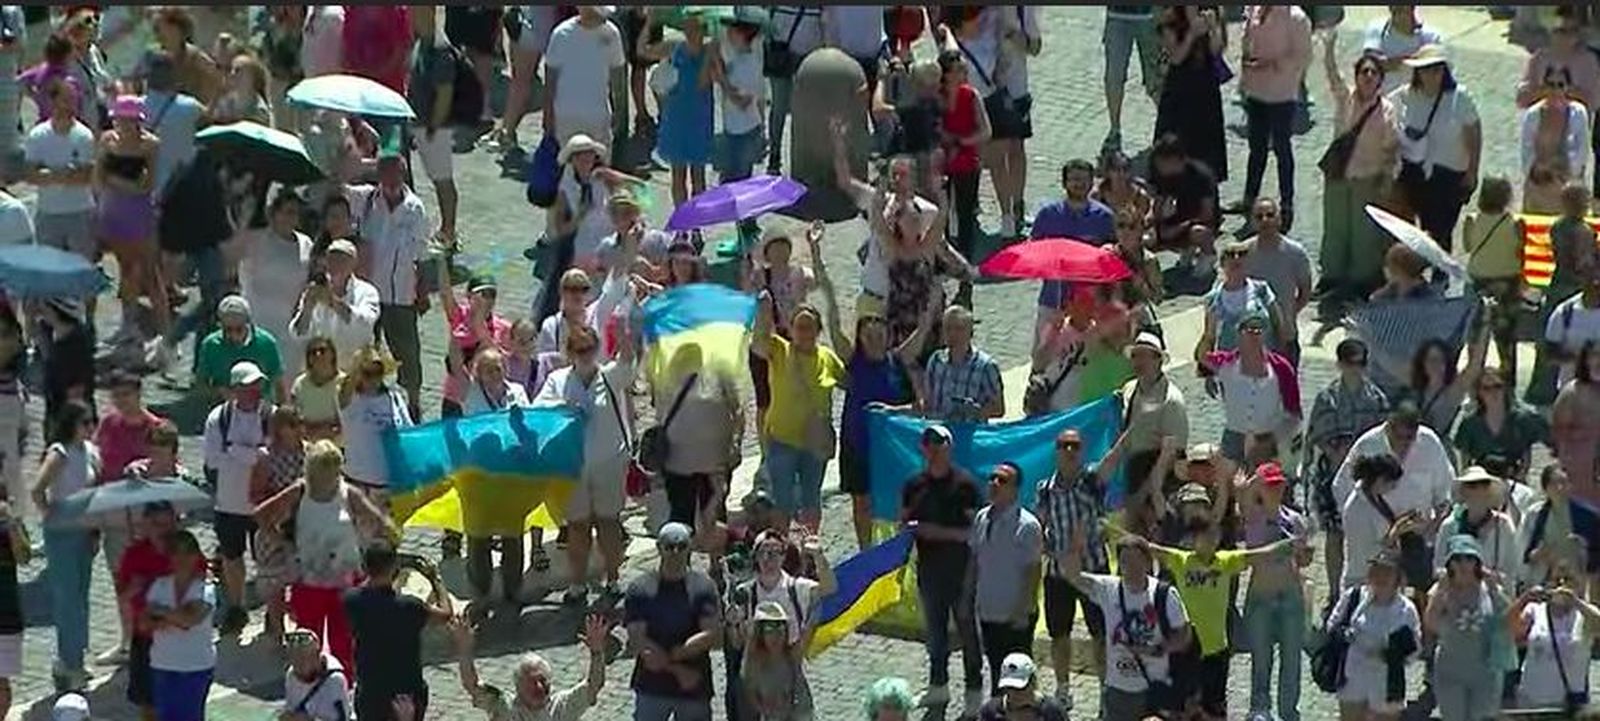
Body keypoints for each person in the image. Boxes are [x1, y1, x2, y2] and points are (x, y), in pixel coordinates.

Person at [814, 229, 922, 550]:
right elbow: (833, 317)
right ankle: (866, 552)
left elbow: (919, 408)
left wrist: (892, 411)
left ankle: (898, 551)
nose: (874, 336)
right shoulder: (853, 361)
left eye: (879, 331)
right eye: (868, 332)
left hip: (890, 448)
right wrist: (817, 256)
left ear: (888, 334)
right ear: (860, 336)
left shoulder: (898, 361)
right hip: (857, 444)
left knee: (896, 503)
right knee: (860, 503)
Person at [256, 440, 390, 674]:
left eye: (335, 468)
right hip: (309, 580)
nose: (331, 475)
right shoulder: (300, 490)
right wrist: (283, 543)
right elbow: (261, 515)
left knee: (344, 642)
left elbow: (379, 521)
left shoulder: (348, 493)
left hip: (345, 580)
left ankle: (344, 686)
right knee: (308, 642)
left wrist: (380, 543)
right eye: (326, 469)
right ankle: (308, 684)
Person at [534, 321, 634, 605]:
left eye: (590, 349)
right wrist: (563, 408)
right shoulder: (558, 380)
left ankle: (613, 579)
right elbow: (538, 409)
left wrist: (625, 336)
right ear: (570, 353)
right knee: (577, 527)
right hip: (573, 466)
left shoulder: (610, 376)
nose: (585, 355)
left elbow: (627, 364)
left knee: (608, 523)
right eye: (579, 350)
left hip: (608, 463)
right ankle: (577, 584)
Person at [900, 424, 984, 715]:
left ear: (950, 447)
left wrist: (935, 532)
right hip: (929, 570)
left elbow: (974, 533)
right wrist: (909, 530)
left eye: (940, 444)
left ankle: (974, 690)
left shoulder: (966, 485)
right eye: (929, 444)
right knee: (935, 634)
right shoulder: (913, 485)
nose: (934, 450)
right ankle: (938, 686)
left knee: (968, 632)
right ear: (923, 449)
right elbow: (905, 523)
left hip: (962, 572)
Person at [1062, 533, 1192, 721]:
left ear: (1147, 563)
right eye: (1125, 561)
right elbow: (1073, 577)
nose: (1131, 567)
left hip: (1155, 688)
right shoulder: (1108, 589)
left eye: (1136, 560)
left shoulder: (1164, 594)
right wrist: (1074, 550)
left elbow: (1184, 635)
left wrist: (1156, 650)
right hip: (1119, 689)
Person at [347, 152, 430, 419]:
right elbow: (335, 187)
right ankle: (364, 397)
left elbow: (422, 253)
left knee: (407, 351)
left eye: (397, 174)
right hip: (367, 292)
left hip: (401, 293)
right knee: (365, 349)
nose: (392, 181)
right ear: (379, 175)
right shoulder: (365, 200)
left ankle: (414, 401)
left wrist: (423, 290)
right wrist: (354, 161)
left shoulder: (415, 208)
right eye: (387, 175)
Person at [1318, 35, 1399, 306]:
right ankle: (1331, 277)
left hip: (1367, 179)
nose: (1368, 76)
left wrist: (1387, 178)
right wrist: (1329, 49)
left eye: (1373, 73)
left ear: (1380, 79)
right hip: (1338, 176)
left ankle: (1361, 281)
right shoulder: (1346, 98)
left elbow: (1391, 149)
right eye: (1364, 72)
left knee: (1363, 233)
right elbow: (1332, 75)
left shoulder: (1387, 111)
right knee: (1335, 228)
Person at [752, 290, 843, 532]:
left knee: (812, 500)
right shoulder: (779, 349)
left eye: (809, 327)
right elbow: (758, 342)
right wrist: (763, 312)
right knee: (782, 503)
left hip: (815, 443)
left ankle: (810, 546)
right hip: (782, 441)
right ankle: (782, 547)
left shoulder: (827, 357)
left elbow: (849, 383)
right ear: (791, 330)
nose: (804, 332)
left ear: (818, 330)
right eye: (799, 327)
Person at [1308, 338, 1390, 594]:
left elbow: (1383, 437)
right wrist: (1337, 456)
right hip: (1332, 474)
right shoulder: (1327, 398)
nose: (1356, 368)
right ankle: (1334, 592)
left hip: (1366, 478)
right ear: (1340, 364)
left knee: (1366, 536)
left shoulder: (1377, 399)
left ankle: (1366, 589)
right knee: (1334, 536)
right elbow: (1317, 435)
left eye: (1361, 363)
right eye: (1351, 363)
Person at [729, 530, 834, 720]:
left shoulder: (796, 587)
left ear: (783, 556)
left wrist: (818, 555)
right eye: (763, 552)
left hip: (791, 667)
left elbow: (829, 588)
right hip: (760, 674)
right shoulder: (746, 592)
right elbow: (737, 643)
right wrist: (733, 624)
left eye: (775, 552)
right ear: (755, 556)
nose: (768, 559)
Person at [344, 540, 454, 721]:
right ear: (394, 567)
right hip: (406, 692)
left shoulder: (351, 601)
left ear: (364, 566)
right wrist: (436, 580)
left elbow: (366, 592)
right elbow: (445, 615)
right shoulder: (409, 606)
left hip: (371, 691)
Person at [30, 399, 98, 692]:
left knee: (81, 597)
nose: (91, 428)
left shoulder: (90, 451)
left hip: (85, 531)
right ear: (72, 424)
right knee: (67, 599)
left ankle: (74, 657)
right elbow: (37, 490)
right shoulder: (60, 453)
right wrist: (50, 516)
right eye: (85, 423)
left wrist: (95, 530)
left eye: (92, 422)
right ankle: (70, 663)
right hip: (62, 534)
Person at [202, 361, 272, 636]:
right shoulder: (218, 419)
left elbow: (275, 454)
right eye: (248, 386)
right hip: (229, 502)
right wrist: (254, 455)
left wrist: (236, 451)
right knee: (232, 557)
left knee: (266, 559)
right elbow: (213, 460)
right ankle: (237, 607)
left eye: (257, 385)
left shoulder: (270, 415)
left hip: (264, 502)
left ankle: (272, 610)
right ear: (234, 390)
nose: (254, 391)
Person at [624, 521, 721, 721]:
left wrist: (679, 652)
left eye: (681, 546)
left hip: (694, 688)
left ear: (690, 547)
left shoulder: (704, 587)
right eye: (669, 546)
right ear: (659, 547)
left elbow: (712, 634)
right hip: (654, 687)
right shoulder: (640, 588)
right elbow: (637, 639)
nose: (675, 552)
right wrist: (678, 669)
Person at [1239, 462, 1312, 721]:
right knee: (1261, 659)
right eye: (1270, 485)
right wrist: (1255, 482)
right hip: (1261, 596)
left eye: (1278, 485)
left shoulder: (1295, 520)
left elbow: (1303, 562)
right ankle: (1260, 710)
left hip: (1290, 595)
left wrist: (1304, 554)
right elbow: (1243, 495)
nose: (1275, 490)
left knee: (1291, 661)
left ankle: (1288, 712)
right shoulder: (1253, 515)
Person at [1394, 44, 1481, 254]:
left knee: (1441, 230)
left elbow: (1474, 134)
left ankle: (1440, 269)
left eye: (1437, 69)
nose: (1432, 75)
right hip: (1414, 171)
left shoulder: (1460, 98)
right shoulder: (1406, 95)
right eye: (1426, 69)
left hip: (1449, 174)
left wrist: (1472, 171)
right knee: (1416, 228)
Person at [969, 462, 1042, 698]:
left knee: (1018, 676)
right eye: (992, 478)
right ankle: (997, 709)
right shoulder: (982, 517)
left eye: (1002, 480)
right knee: (995, 668)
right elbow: (975, 561)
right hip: (988, 611)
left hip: (1014, 616)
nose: (994, 484)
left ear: (1015, 489)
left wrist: (1023, 610)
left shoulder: (1027, 525)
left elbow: (1033, 571)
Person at [95, 94, 164, 343]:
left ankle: (164, 331)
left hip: (139, 210)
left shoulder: (150, 145)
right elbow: (98, 176)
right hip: (113, 209)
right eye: (121, 119)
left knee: (149, 271)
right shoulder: (107, 140)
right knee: (125, 268)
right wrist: (121, 187)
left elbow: (148, 184)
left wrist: (116, 182)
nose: (124, 124)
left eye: (130, 119)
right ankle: (128, 322)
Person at [455, 613, 611, 721]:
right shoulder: (504, 706)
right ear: (518, 686)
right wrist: (464, 650)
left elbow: (594, 685)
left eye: (543, 680)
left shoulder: (562, 706)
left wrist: (597, 652)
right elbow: (472, 685)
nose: (539, 687)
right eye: (532, 682)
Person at [1234, 6, 1310, 225]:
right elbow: (1248, 44)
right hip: (1256, 91)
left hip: (1281, 94)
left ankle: (1286, 204)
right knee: (1256, 149)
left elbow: (1303, 57)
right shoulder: (1255, 10)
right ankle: (1249, 198)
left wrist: (1270, 64)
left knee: (1282, 149)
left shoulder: (1296, 17)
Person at [1425, 534, 1513, 721]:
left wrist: (1495, 589)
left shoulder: (1488, 588)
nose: (1463, 564)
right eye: (1457, 559)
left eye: (1469, 558)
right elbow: (1431, 622)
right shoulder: (1441, 589)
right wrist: (1441, 593)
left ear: (1477, 562)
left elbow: (1508, 618)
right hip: (1450, 669)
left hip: (1485, 669)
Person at [1328, 550, 1422, 721]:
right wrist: (1346, 636)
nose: (1381, 577)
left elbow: (1414, 650)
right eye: (1377, 571)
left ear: (1398, 578)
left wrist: (1389, 653)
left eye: (1387, 573)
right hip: (1353, 678)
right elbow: (1333, 626)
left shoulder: (1406, 610)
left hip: (1387, 683)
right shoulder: (1354, 597)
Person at [1029, 158, 1115, 344]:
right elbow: (1034, 250)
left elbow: (1113, 255)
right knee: (1044, 352)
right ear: (1064, 183)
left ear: (1092, 183)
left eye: (1084, 180)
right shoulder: (1048, 214)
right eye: (1074, 179)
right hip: (1053, 298)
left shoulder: (1104, 217)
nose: (1079, 184)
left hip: (1089, 301)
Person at [640, 10, 717, 207]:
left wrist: (710, 56)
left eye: (695, 27)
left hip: (699, 118)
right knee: (678, 175)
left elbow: (703, 83)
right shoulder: (674, 46)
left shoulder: (711, 51)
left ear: (704, 29)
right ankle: (681, 218)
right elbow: (643, 51)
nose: (691, 31)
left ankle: (696, 220)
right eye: (687, 26)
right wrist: (649, 23)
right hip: (676, 116)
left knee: (698, 177)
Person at [235, 191, 314, 376]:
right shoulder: (257, 241)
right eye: (286, 212)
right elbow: (242, 273)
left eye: (295, 213)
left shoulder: (306, 244)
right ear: (274, 214)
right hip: (257, 322)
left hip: (289, 329)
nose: (291, 218)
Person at [142, 530, 216, 721]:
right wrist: (177, 616)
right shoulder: (159, 586)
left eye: (188, 552)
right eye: (176, 551)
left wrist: (161, 612)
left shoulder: (205, 589)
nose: (182, 558)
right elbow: (144, 623)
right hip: (162, 665)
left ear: (196, 556)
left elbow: (190, 621)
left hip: (195, 667)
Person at [935, 47, 989, 307]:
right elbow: (933, 127)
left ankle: (965, 270)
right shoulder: (937, 98)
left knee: (966, 219)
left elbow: (985, 131)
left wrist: (961, 141)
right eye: (958, 69)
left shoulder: (971, 95)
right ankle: (942, 267)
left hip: (966, 163)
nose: (964, 72)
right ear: (946, 74)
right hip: (942, 164)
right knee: (941, 217)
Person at [338, 346, 414, 522]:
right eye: (367, 373)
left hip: (388, 484)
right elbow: (344, 392)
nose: (373, 379)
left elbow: (409, 432)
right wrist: (358, 364)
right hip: (358, 482)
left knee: (386, 534)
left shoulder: (395, 398)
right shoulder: (350, 400)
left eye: (377, 373)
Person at [25, 75, 97, 261]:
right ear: (53, 101)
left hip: (80, 214)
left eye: (74, 100)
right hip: (48, 214)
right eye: (66, 99)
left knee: (81, 268)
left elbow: (85, 177)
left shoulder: (84, 136)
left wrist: (49, 174)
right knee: (48, 269)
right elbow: (31, 176)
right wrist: (67, 173)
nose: (71, 105)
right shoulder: (37, 136)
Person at [406, 5, 460, 248]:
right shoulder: (421, 42)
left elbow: (445, 94)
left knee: (442, 179)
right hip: (420, 122)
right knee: (437, 177)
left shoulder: (440, 50)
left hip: (435, 126)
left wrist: (433, 127)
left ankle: (449, 232)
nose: (411, 14)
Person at [1461, 178, 1526, 380]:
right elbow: (1520, 253)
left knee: (1475, 334)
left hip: (1477, 282)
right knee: (1506, 337)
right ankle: (1508, 380)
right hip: (1507, 283)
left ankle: (1474, 378)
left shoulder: (1471, 220)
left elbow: (1468, 247)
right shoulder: (1516, 223)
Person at [1154, 6, 1227, 184]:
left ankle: (1206, 187)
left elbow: (1217, 50)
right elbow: (1176, 57)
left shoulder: (1213, 10)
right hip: (1179, 90)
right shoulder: (1170, 16)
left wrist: (1213, 28)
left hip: (1206, 88)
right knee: (1175, 140)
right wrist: (1192, 34)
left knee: (1206, 143)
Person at [1508, 568, 1600, 710]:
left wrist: (1576, 601)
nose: (1561, 585)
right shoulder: (1535, 610)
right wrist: (1524, 599)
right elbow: (1511, 631)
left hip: (1567, 704)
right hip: (1531, 699)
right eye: (1556, 580)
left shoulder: (1584, 614)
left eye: (1567, 580)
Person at [544, 6, 624, 155]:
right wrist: (548, 114)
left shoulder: (612, 34)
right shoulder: (561, 34)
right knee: (567, 161)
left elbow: (617, 76)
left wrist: (619, 111)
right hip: (566, 117)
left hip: (598, 118)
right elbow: (550, 78)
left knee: (599, 163)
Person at [290, 238, 382, 369]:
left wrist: (332, 302)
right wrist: (307, 308)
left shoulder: (367, 291)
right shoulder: (314, 289)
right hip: (320, 370)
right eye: (331, 259)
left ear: (353, 263)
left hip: (355, 371)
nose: (336, 264)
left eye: (342, 260)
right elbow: (298, 334)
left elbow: (365, 322)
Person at [1241, 197, 1311, 363]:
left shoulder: (1295, 252)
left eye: (1270, 215)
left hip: (1285, 337)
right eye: (1259, 217)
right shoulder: (1243, 252)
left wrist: (1289, 313)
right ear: (1252, 222)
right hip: (1254, 337)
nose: (1265, 220)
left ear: (1279, 219)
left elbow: (1305, 290)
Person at [1454, 367, 1548, 483]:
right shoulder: (1470, 424)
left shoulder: (1521, 420)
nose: (1493, 392)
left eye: (1497, 386)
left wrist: (1517, 482)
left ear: (1505, 389)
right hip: (1482, 480)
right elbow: (1465, 460)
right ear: (1479, 392)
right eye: (1486, 388)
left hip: (1513, 478)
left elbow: (1526, 458)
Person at [193, 295, 289, 404]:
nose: (234, 336)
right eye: (228, 330)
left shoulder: (266, 343)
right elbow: (200, 385)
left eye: (239, 329)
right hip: (223, 406)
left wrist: (284, 407)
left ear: (248, 323)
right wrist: (220, 392)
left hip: (260, 405)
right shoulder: (210, 345)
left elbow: (279, 382)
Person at [1519, 65, 1589, 214]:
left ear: (1567, 88)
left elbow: (1582, 150)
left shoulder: (1579, 113)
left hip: (1568, 188)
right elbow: (1526, 149)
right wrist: (1538, 170)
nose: (1555, 90)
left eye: (1560, 85)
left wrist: (1564, 171)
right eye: (1551, 84)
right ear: (1544, 87)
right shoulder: (1532, 115)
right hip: (1538, 184)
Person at [1148, 133, 1220, 275]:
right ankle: (1186, 248)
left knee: (1199, 232)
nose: (1158, 167)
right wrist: (1154, 220)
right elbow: (1158, 200)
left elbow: (1207, 213)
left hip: (1199, 221)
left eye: (1162, 163)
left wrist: (1180, 227)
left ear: (1175, 160)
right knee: (1147, 237)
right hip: (1175, 219)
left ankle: (1208, 255)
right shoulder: (1163, 175)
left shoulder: (1202, 176)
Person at [764, 6, 824, 176]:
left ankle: (777, 159)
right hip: (802, 54)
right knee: (791, 110)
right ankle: (792, 161)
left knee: (781, 109)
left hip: (788, 52)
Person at [1518, 466, 1599, 589]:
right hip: (1543, 580)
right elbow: (1524, 553)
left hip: (1576, 582)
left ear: (1570, 485)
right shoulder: (1535, 514)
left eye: (1563, 482)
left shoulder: (1588, 516)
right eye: (1554, 483)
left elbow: (1596, 554)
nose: (1559, 488)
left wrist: (1582, 548)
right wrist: (1539, 553)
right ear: (1545, 488)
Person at [922, 305, 1004, 422]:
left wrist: (976, 411)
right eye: (947, 328)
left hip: (970, 430)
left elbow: (999, 408)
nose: (952, 334)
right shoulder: (936, 361)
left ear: (971, 332)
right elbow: (927, 403)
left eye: (958, 329)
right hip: (939, 430)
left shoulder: (986, 366)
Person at [1101, 6, 1162, 152]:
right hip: (1116, 16)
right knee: (1113, 76)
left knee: (1155, 78)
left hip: (1148, 16)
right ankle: (1114, 130)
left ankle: (1167, 124)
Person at [1553, 341, 1600, 505]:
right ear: (1586, 360)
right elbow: (1559, 434)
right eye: (1595, 355)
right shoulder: (1572, 393)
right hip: (1580, 474)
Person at [1361, 5, 1444, 95]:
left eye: (1402, 8)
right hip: (1383, 98)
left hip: (1416, 98)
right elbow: (1370, 63)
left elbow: (1434, 70)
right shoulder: (1377, 28)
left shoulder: (1431, 36)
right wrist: (1412, 61)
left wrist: (1393, 63)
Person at [281, 628, 353, 721]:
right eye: (294, 659)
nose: (298, 664)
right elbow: (291, 709)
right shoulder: (292, 675)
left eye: (303, 658)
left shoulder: (335, 681)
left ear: (317, 655)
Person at [976, 653, 1066, 721]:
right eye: (1009, 687)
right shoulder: (990, 712)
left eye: (1020, 688)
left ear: (1033, 682)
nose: (1014, 694)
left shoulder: (1052, 711)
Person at [291, 337, 345, 441]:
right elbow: (296, 421)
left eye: (322, 350)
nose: (318, 355)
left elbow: (346, 421)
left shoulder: (343, 382)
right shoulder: (299, 384)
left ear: (332, 355)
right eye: (313, 352)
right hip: (308, 445)